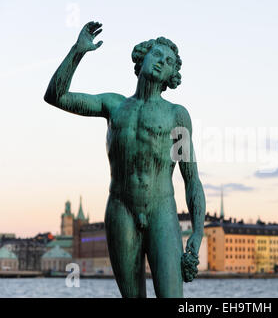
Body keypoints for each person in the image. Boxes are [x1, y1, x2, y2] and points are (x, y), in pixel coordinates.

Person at [44, 21, 205, 298]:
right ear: (142, 58)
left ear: (170, 75)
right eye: (156, 55)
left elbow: (191, 179)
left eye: (167, 62)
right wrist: (77, 51)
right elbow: (56, 96)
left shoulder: (177, 116)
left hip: (162, 211)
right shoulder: (114, 106)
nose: (160, 62)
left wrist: (197, 232)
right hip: (121, 211)